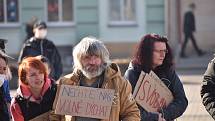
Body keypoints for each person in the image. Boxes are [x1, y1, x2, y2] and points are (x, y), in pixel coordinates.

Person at [50, 36, 140, 121]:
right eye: (87, 57)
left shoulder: (120, 84)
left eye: (96, 57)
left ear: (103, 59)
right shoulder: (66, 82)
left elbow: (132, 114)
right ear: (79, 60)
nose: (92, 62)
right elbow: (55, 115)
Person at [124, 33, 188, 121]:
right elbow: (128, 110)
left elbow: (182, 101)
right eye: (159, 51)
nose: (163, 55)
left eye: (164, 51)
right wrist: (154, 117)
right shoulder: (132, 74)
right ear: (147, 52)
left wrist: (164, 115)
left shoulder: (168, 71)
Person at [10, 57, 58, 121]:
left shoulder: (57, 91)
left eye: (41, 72)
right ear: (24, 79)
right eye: (33, 75)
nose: (38, 77)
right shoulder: (17, 103)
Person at [0, 50, 13, 121]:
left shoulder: (5, 80)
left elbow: (7, 98)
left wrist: (10, 116)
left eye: (4, 69)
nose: (2, 71)